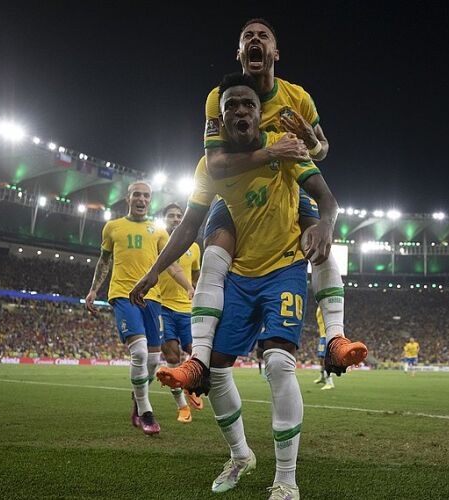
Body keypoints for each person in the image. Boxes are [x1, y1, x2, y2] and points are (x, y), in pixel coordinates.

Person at [130, 73, 339, 500]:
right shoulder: (211, 166)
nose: (241, 111)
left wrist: (323, 225)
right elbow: (189, 224)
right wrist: (155, 270)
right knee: (216, 370)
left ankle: (286, 480)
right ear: (219, 120)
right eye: (231, 107)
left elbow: (325, 193)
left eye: (248, 104)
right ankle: (241, 455)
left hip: (283, 268)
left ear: (260, 112)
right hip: (240, 278)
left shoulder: (286, 146)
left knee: (279, 364)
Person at [158, 17, 366, 396]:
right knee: (214, 253)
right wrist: (271, 150)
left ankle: (334, 337)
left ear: (275, 52)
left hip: (285, 183)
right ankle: (200, 359)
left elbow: (322, 150)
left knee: (317, 237)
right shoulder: (215, 98)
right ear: (239, 53)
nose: (255, 41)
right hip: (233, 191)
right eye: (247, 37)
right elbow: (215, 164)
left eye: (263, 36)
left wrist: (310, 143)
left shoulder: (298, 97)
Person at [84, 181, 194, 436]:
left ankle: (137, 397)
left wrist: (189, 287)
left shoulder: (158, 231)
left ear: (150, 200)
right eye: (137, 195)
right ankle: (146, 411)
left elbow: (172, 265)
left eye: (146, 196)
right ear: (128, 198)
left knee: (154, 358)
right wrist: (93, 290)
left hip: (152, 298)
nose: (141, 199)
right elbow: (104, 261)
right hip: (123, 294)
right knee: (141, 353)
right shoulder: (112, 227)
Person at [158, 202, 204, 422]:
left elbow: (196, 274)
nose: (176, 219)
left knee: (195, 353)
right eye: (171, 215)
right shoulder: (157, 241)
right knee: (172, 356)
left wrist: (192, 291)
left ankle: (190, 386)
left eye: (179, 216)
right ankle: (182, 407)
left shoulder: (194, 248)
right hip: (162, 306)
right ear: (164, 219)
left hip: (186, 309)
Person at [313, 308, 334, 390]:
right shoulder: (319, 308)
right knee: (321, 358)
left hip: (327, 336)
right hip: (322, 337)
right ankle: (322, 377)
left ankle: (330, 382)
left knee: (326, 359)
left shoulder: (325, 307)